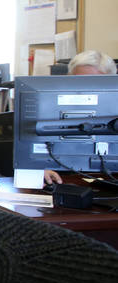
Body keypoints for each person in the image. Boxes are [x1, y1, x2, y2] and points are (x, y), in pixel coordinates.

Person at [44, 49, 115, 185]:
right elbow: (30, 150)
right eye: (79, 81)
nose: (87, 89)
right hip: (61, 181)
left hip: (110, 182)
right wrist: (37, 169)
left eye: (96, 82)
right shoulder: (49, 108)